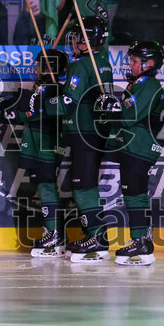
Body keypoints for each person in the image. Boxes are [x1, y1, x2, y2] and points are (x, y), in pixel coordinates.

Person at [0, 48, 69, 257]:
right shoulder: (44, 88)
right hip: (38, 144)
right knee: (44, 186)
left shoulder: (53, 90)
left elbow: (26, 113)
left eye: (39, 65)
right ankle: (54, 233)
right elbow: (22, 111)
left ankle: (55, 234)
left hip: (46, 144)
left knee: (46, 187)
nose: (35, 69)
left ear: (49, 68)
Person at [52, 16, 115, 263]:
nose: (74, 40)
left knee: (83, 186)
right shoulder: (103, 62)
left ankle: (97, 238)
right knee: (86, 184)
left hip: (83, 132)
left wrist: (40, 104)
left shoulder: (81, 65)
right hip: (97, 132)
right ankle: (95, 236)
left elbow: (68, 102)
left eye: (79, 35)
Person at [100, 41, 164, 266]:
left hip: (141, 146)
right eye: (131, 60)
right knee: (133, 192)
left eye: (135, 60)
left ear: (149, 64)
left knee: (135, 192)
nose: (130, 64)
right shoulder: (139, 84)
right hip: (134, 145)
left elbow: (130, 116)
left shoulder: (149, 84)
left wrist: (111, 109)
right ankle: (141, 241)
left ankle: (141, 241)